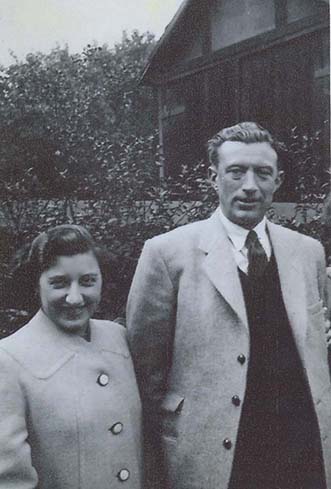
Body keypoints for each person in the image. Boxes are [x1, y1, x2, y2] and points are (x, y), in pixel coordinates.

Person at [127, 122, 331, 489]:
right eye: (236, 171)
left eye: (263, 173)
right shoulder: (167, 254)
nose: (250, 185)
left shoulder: (308, 252)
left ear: (278, 180)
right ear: (213, 178)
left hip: (302, 455)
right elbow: (146, 371)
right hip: (217, 458)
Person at [0, 224, 142, 489]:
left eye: (87, 281)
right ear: (36, 284)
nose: (75, 298)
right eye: (59, 283)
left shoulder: (119, 339)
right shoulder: (8, 359)